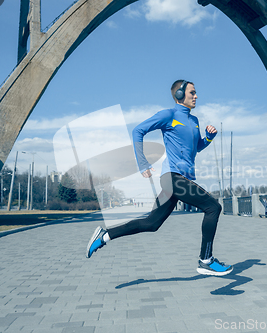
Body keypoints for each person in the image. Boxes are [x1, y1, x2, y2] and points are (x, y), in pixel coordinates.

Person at [86, 80, 232, 276]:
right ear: (179, 95)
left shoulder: (194, 121)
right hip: (172, 178)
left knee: (151, 224)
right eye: (192, 93)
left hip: (178, 181)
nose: (196, 96)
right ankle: (205, 259)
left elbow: (195, 148)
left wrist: (208, 138)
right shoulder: (169, 115)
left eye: (196, 93)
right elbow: (138, 131)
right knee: (213, 207)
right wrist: (143, 164)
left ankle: (105, 236)